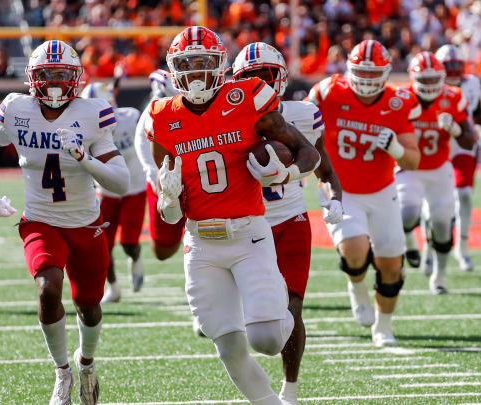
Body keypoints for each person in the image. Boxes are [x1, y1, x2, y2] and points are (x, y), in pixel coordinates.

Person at [146, 26, 320, 405]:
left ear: (221, 64)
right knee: (226, 346)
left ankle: (280, 311)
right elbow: (171, 213)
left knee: (268, 340)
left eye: (204, 63)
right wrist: (170, 199)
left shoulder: (247, 97)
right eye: (186, 65)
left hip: (248, 234)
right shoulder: (160, 116)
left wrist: (285, 173)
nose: (195, 73)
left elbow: (308, 153)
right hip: (201, 243)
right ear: (173, 70)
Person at [0, 40, 130, 405]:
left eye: (62, 75)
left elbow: (120, 183)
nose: (56, 83)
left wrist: (84, 158)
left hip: (85, 223)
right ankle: (62, 372)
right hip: (41, 220)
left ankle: (86, 362)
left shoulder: (93, 113)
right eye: (47, 75)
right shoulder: (16, 108)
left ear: (75, 78)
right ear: (32, 78)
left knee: (89, 305)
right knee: (47, 286)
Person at [233, 42, 343, 405]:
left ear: (279, 79)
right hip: (244, 224)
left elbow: (324, 167)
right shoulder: (229, 116)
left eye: (265, 76)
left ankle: (290, 391)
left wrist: (334, 198)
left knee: (293, 306)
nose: (259, 85)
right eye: (250, 79)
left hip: (289, 219)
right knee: (237, 322)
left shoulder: (304, 115)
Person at [307, 39, 420, 346]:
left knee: (391, 266)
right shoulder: (328, 92)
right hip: (339, 189)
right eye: (362, 73)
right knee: (355, 250)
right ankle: (356, 286)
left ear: (386, 73)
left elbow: (412, 159)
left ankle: (383, 326)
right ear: (350, 70)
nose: (368, 80)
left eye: (374, 74)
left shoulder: (398, 101)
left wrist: (394, 147)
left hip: (383, 190)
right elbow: (301, 127)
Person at [397, 51, 474, 294]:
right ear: (413, 77)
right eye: (425, 79)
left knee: (442, 224)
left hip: (439, 168)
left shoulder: (453, 97)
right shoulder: (399, 97)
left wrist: (455, 130)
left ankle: (439, 277)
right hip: (408, 167)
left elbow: (469, 141)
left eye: (433, 79)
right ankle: (410, 242)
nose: (429, 84)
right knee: (407, 213)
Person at [410, 44, 481, 273]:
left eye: (457, 65)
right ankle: (428, 247)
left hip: (462, 142)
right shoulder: (427, 85)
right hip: (434, 143)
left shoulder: (471, 84)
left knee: (464, 194)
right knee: (432, 199)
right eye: (449, 66)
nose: (454, 71)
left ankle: (462, 248)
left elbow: (477, 116)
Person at [80, 81, 145, 302]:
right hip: (106, 191)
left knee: (129, 243)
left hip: (134, 188)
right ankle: (114, 288)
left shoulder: (131, 118)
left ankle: (135, 259)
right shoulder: (84, 129)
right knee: (102, 246)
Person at [135, 69, 186, 262]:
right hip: (166, 178)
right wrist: (153, 173)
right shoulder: (156, 110)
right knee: (163, 250)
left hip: (198, 176)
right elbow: (142, 140)